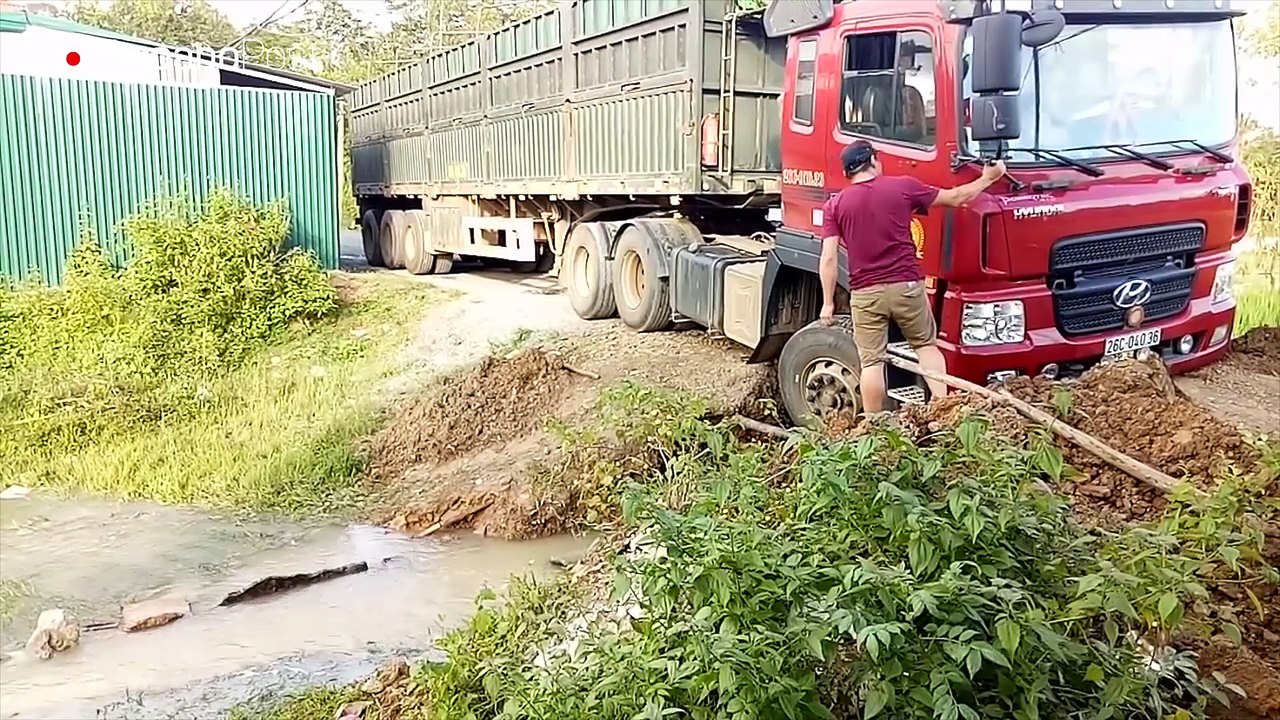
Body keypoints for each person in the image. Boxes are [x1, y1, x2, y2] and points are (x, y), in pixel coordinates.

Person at [818, 140, 1005, 414]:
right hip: (906, 286)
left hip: (866, 292)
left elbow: (829, 258)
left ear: (848, 172)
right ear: (872, 161)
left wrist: (828, 303)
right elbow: (956, 198)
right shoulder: (903, 186)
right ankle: (942, 408)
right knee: (926, 346)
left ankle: (873, 425)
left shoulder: (835, 206)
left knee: (871, 362)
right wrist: (987, 178)